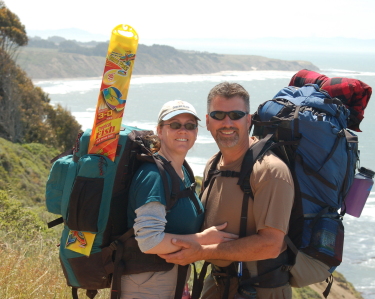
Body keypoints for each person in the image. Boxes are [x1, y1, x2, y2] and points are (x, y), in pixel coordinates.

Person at [159, 83, 295, 299]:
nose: (227, 123)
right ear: (208, 121)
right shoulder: (213, 164)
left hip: (260, 290)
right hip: (217, 284)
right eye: (219, 115)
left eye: (236, 114)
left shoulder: (269, 171)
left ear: (248, 120)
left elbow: (270, 245)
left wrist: (201, 252)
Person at [121, 100, 238, 299]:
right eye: (174, 125)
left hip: (170, 278)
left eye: (190, 125)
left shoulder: (182, 170)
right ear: (159, 130)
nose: (183, 130)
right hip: (147, 284)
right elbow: (149, 241)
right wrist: (202, 241)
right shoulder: (154, 176)